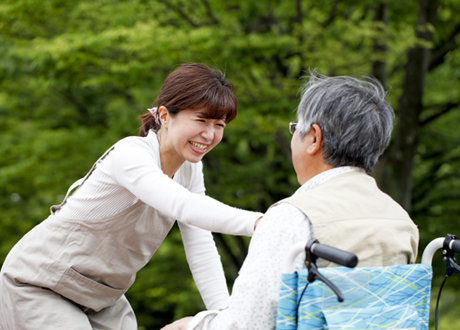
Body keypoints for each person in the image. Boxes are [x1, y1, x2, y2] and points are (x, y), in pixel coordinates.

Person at [0, 63, 263, 330]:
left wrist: (225, 315)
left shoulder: (191, 170)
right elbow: (183, 205)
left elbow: (200, 243)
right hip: (41, 283)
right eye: (201, 120)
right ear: (164, 115)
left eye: (219, 124)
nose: (210, 134)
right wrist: (261, 223)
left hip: (102, 298)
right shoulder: (131, 154)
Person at [163, 72, 419, 330]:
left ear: (314, 138)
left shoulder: (295, 216)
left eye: (296, 129)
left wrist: (189, 325)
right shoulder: (400, 221)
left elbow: (247, 325)